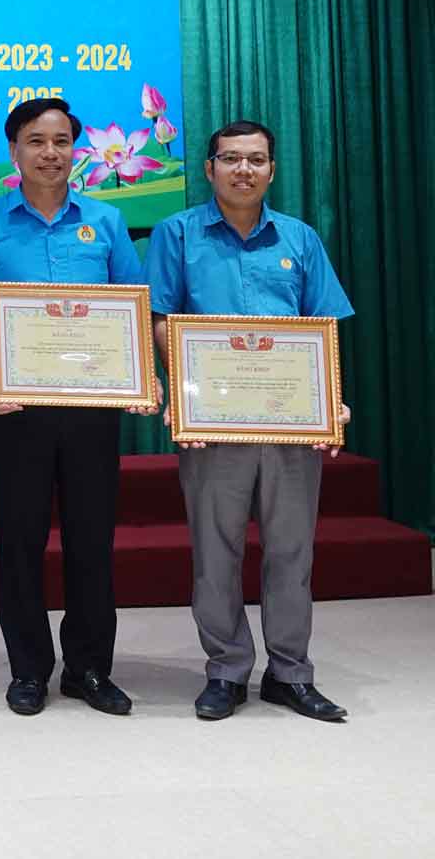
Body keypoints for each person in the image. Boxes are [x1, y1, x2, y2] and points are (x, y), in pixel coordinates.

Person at [147, 120, 354, 723]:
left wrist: (329, 399)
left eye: (256, 160)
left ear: (271, 170)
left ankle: (290, 673)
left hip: (289, 424)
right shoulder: (176, 234)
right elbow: (163, 319)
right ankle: (227, 670)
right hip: (212, 424)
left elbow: (324, 329)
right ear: (209, 168)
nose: (244, 170)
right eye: (231, 159)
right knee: (216, 554)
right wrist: (186, 397)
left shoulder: (300, 239)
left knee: (293, 553)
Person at [0, 97, 157, 717]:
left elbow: (132, 307)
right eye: (36, 142)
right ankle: (28, 670)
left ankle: (90, 669)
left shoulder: (106, 220)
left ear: (77, 149)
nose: (51, 153)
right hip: (17, 412)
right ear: (14, 151)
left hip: (91, 409)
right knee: (19, 540)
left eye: (62, 142)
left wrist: (141, 379)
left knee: (91, 540)